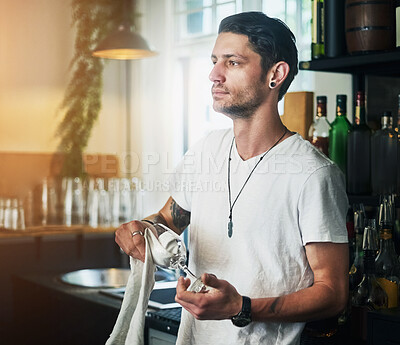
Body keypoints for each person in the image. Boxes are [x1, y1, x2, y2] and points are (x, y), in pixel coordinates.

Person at [116, 11, 349, 345]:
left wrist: (242, 307)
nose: (214, 74)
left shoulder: (313, 173)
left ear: (275, 74)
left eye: (233, 62)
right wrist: (140, 230)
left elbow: (334, 292)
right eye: (214, 61)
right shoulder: (205, 150)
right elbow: (168, 221)